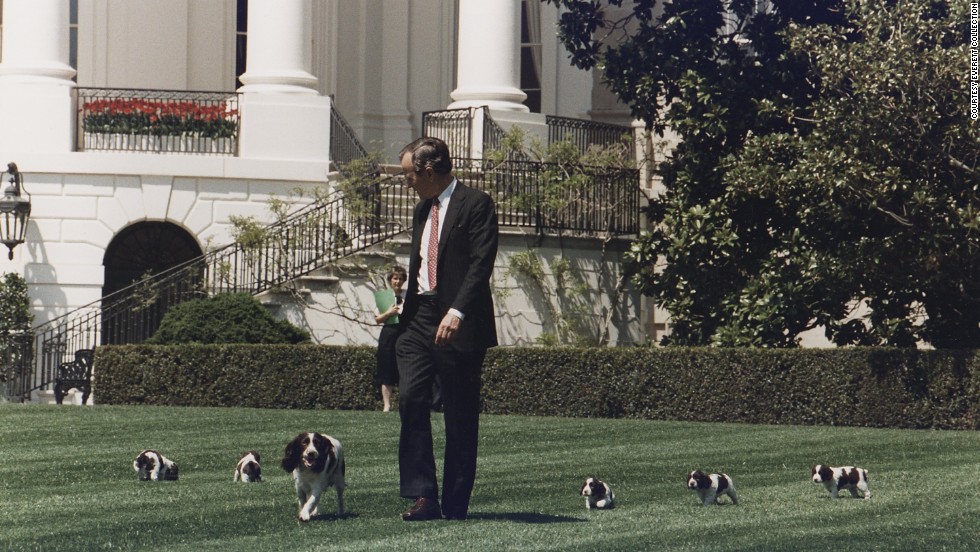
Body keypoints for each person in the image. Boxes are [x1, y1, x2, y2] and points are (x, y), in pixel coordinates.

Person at [395, 136, 499, 522]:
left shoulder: (477, 204)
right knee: (411, 399)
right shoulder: (423, 209)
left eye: (409, 175)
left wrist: (457, 311)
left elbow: (480, 263)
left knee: (459, 413)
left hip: (459, 322)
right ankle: (423, 495)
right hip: (419, 319)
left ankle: (455, 505)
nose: (407, 182)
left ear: (429, 170)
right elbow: (422, 260)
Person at [374, 265, 407, 412]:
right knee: (387, 368)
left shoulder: (408, 295)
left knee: (404, 369)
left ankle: (404, 404)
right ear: (390, 280)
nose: (397, 281)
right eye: (395, 278)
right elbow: (378, 319)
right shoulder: (383, 297)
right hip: (388, 334)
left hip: (405, 333)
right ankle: (386, 405)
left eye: (400, 278)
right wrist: (389, 312)